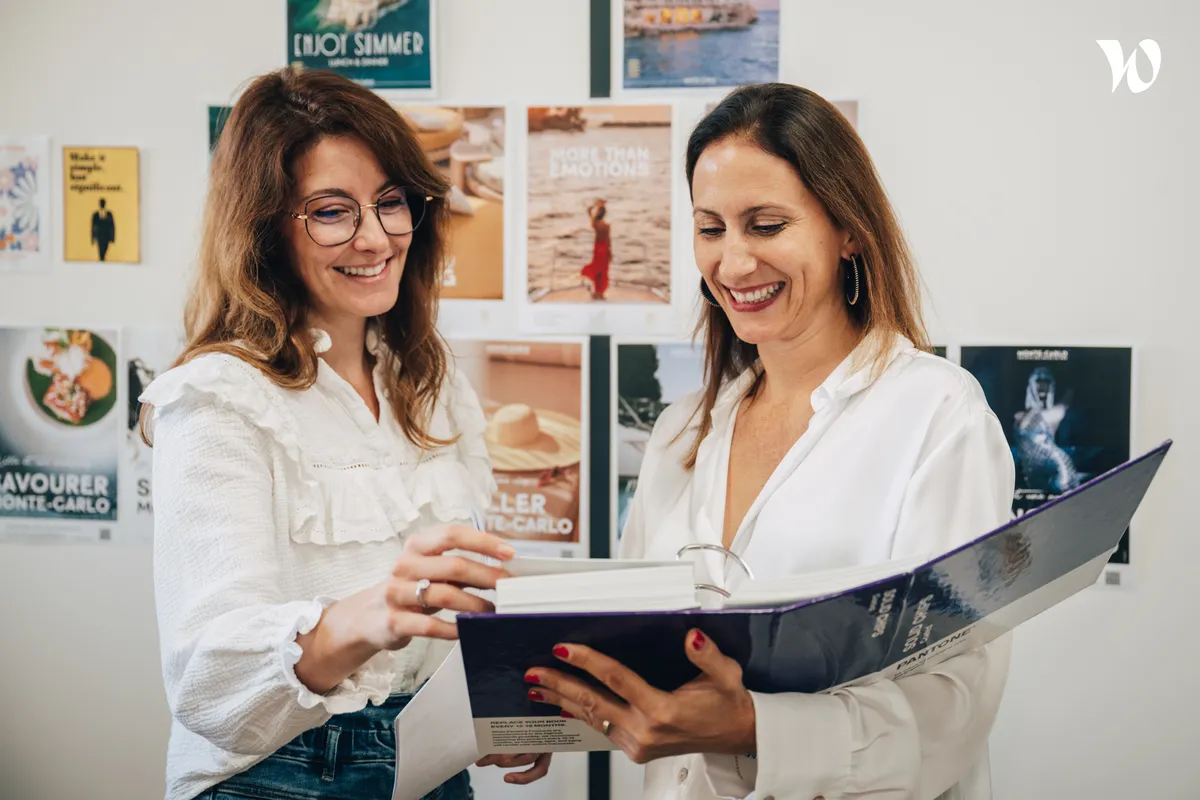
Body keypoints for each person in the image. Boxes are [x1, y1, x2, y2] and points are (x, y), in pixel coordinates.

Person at [523, 83, 1016, 799]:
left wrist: (756, 727)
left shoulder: (937, 415)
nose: (733, 264)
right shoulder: (680, 433)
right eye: (711, 228)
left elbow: (957, 705)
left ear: (847, 229)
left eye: (766, 225)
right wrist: (554, 716)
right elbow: (632, 649)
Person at [139, 66, 548, 800]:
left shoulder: (428, 381)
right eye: (333, 211)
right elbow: (209, 685)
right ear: (266, 228)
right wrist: (368, 615)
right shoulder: (219, 397)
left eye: (390, 203)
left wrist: (491, 707)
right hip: (276, 776)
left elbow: (443, 606)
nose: (376, 237)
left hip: (428, 763)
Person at [580, 198, 612, 299]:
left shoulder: (596, 224)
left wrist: (595, 205)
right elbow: (608, 240)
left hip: (598, 248)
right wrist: (610, 253)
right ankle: (600, 293)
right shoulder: (606, 226)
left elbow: (589, 211)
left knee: (597, 269)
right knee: (603, 270)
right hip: (605, 248)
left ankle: (597, 292)